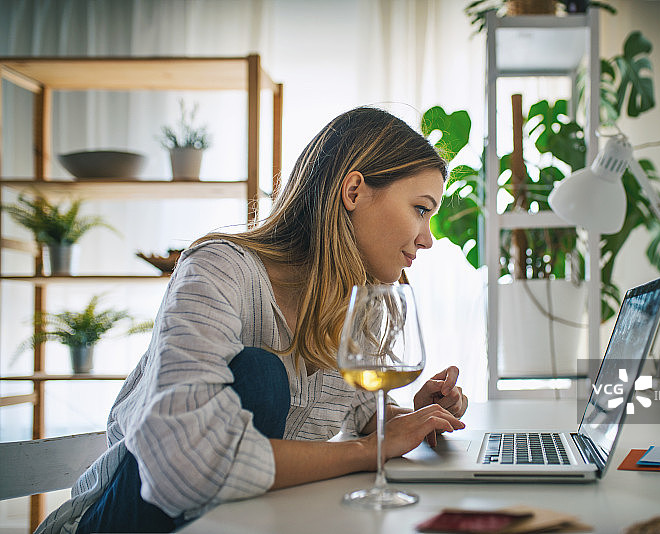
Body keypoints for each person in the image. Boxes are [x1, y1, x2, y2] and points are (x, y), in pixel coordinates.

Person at [36, 106, 468, 534]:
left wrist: (410, 417)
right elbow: (183, 468)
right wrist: (368, 451)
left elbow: (357, 411)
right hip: (120, 522)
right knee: (261, 374)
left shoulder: (353, 301)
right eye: (420, 209)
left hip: (245, 521)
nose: (427, 238)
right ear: (353, 191)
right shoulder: (220, 271)